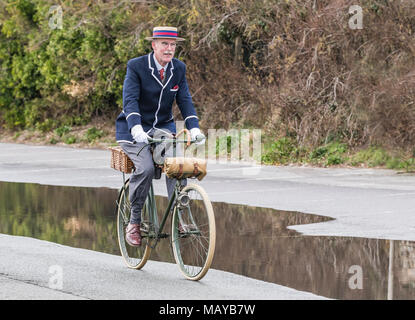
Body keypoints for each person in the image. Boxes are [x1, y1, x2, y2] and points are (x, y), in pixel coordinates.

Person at [115, 26, 205, 247]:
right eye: (164, 43)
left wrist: (194, 127)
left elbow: (184, 100)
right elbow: (130, 100)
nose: (169, 48)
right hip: (132, 129)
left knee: (177, 166)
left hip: (163, 129)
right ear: (153, 45)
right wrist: (136, 127)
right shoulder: (136, 66)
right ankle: (134, 223)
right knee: (145, 169)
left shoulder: (178, 68)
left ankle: (181, 217)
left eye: (173, 45)